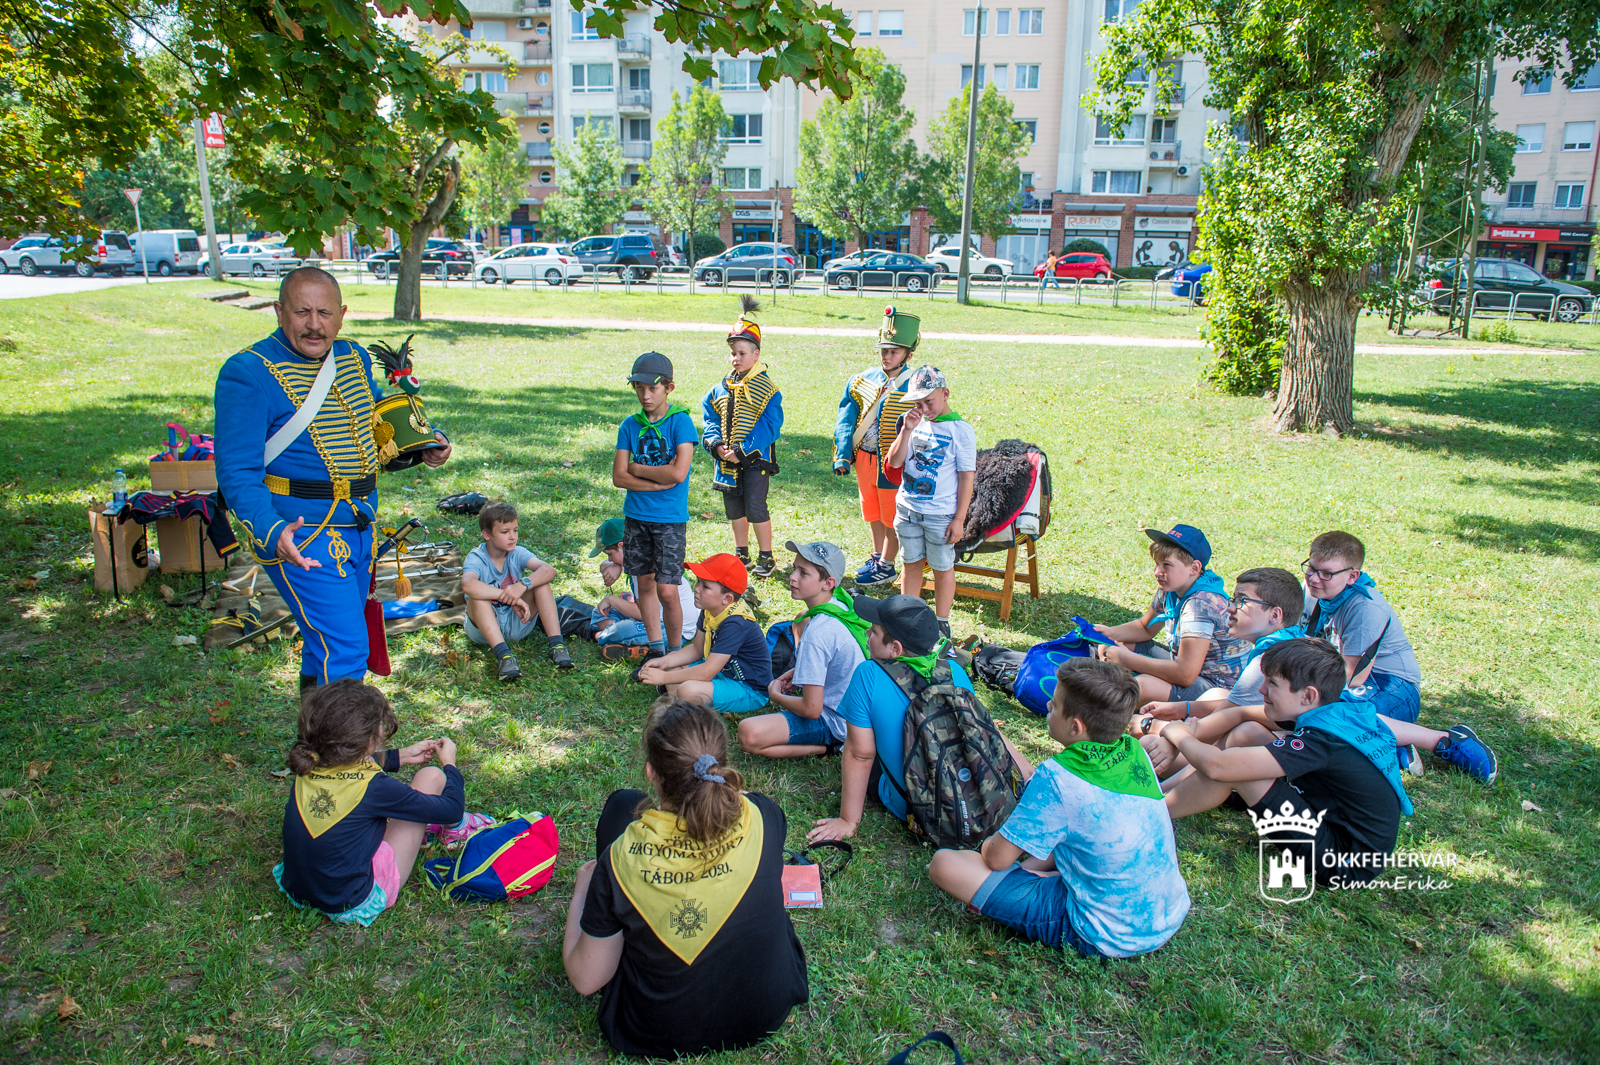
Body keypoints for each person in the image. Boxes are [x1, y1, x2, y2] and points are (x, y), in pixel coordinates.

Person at [214, 267, 451, 692]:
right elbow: (235, 471)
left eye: (324, 312)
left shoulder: (353, 357)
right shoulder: (248, 372)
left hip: (359, 527)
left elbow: (373, 427)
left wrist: (423, 445)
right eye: (301, 312)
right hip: (303, 535)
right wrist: (272, 531)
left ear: (341, 315)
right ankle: (341, 756)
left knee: (324, 642)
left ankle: (316, 747)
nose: (314, 324)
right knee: (345, 648)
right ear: (278, 311)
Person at [562, 700, 808, 1058]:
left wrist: (583, 890)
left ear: (652, 772)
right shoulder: (764, 814)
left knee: (621, 806)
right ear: (721, 765)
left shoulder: (620, 859)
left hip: (655, 1030)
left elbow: (586, 979)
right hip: (765, 1012)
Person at [926, 659, 1189, 959]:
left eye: (1056, 703)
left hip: (1104, 933)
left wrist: (989, 846)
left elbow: (996, 858)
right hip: (1165, 915)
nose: (1049, 704)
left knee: (945, 864)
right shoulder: (1134, 752)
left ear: (1075, 727)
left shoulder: (1058, 778)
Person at [1157, 639, 1413, 886]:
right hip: (1340, 830)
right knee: (1250, 734)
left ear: (1308, 695)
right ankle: (1164, 795)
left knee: (1236, 770)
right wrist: (1190, 733)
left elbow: (1218, 766)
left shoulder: (1322, 741)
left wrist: (1177, 734)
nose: (1261, 691)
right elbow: (1241, 713)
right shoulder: (1334, 710)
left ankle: (1152, 815)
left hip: (1344, 864)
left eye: (1272, 683)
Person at [808, 594, 1031, 842]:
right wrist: (1025, 773)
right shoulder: (954, 669)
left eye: (874, 631)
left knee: (869, 764)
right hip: (981, 800)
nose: (867, 634)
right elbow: (984, 729)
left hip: (922, 812)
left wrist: (848, 820)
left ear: (895, 649)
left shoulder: (868, 674)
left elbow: (860, 753)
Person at [273, 680, 488, 925]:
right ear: (368, 738)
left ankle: (434, 829)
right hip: (354, 900)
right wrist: (450, 763)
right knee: (432, 777)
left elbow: (349, 766)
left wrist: (402, 755)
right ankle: (455, 829)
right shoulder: (375, 787)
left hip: (298, 889)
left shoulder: (309, 761)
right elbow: (451, 806)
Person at [1088, 524, 1248, 705]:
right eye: (1157, 564)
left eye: (1167, 565)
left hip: (1217, 690)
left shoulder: (1200, 605)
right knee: (1116, 644)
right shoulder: (1172, 589)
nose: (1157, 572)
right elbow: (1144, 627)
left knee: (1143, 686)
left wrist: (1127, 659)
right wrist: (1109, 634)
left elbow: (1185, 674)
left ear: (1194, 568)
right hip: (1188, 668)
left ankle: (1100, 702)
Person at [737, 541, 868, 759]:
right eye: (794, 569)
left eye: (803, 573)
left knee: (749, 733)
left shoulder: (817, 632)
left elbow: (811, 710)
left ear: (828, 583)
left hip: (839, 722)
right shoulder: (841, 605)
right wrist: (799, 672)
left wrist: (775, 695)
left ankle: (832, 747)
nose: (792, 577)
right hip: (859, 716)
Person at [612, 352, 698, 661]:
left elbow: (678, 473)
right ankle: (655, 648)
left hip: (669, 519)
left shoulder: (681, 422)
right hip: (636, 518)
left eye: (653, 388)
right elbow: (618, 477)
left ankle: (674, 654)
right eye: (639, 388)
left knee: (667, 590)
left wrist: (638, 468)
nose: (645, 395)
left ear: (669, 388)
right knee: (644, 586)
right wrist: (656, 482)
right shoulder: (629, 426)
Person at [832, 305, 922, 587]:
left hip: (893, 464)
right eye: (884, 350)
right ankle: (877, 555)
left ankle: (887, 564)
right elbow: (846, 418)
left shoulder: (916, 385)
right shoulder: (863, 379)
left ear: (908, 353)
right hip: (865, 458)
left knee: (890, 515)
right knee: (871, 510)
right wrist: (843, 454)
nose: (886, 356)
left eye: (894, 351)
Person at [886, 366, 976, 640]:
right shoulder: (911, 421)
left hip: (940, 515)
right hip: (908, 510)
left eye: (929, 401)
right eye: (918, 403)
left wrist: (959, 519)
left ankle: (941, 622)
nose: (924, 408)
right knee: (911, 562)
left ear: (945, 394)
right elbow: (895, 462)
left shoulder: (961, 431)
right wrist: (906, 431)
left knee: (942, 567)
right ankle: (906, 615)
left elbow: (966, 479)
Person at [1301, 530, 1423, 724]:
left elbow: (1352, 676)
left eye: (1326, 574)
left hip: (1389, 683)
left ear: (1352, 576)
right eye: (1311, 568)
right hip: (1333, 673)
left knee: (1335, 722)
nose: (1314, 579)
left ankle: (1408, 749)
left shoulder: (1366, 607)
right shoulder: (1313, 590)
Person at [702, 297, 784, 578]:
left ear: (756, 354)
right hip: (726, 459)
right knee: (734, 505)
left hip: (755, 459)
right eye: (733, 353)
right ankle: (742, 552)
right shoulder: (721, 387)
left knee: (756, 504)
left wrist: (743, 449)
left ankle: (766, 555)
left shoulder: (767, 388)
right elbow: (710, 416)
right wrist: (716, 444)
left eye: (742, 353)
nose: (736, 358)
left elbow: (772, 425)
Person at [637, 554, 772, 715]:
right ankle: (675, 707)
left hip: (749, 689)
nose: (696, 589)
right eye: (698, 582)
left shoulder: (736, 623)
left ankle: (678, 704)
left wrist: (663, 678)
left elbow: (707, 671)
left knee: (688, 690)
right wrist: (663, 662)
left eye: (705, 586)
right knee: (672, 666)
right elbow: (697, 649)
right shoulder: (710, 608)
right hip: (721, 672)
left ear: (727, 598)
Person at [461, 501, 574, 680]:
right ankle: (504, 656)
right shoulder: (477, 557)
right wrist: (508, 596)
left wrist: (521, 586)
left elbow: (549, 571)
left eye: (515, 530)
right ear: (486, 534)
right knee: (477, 597)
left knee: (540, 583)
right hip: (484, 629)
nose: (512, 537)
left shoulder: (517, 553)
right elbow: (467, 585)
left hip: (518, 621)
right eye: (505, 532)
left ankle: (557, 646)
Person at [588, 516, 699, 662]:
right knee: (599, 612)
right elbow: (604, 565)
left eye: (610, 554)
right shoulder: (638, 554)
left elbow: (643, 613)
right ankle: (627, 641)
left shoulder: (643, 569)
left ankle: (600, 635)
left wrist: (611, 599)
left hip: (673, 629)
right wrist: (617, 566)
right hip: (654, 618)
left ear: (621, 545)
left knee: (619, 630)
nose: (609, 559)